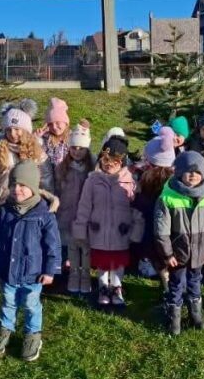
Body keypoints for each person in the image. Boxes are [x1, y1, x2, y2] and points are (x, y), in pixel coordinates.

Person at [0, 160, 61, 362]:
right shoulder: (3, 211)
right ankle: (5, 330)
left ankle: (32, 335)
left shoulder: (44, 215)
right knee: (7, 303)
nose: (17, 190)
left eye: (23, 186)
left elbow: (52, 245)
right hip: (8, 270)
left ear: (33, 187)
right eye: (13, 185)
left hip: (33, 273)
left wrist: (50, 270)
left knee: (31, 304)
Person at [155, 151, 204, 335]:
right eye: (188, 171)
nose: (193, 175)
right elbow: (161, 230)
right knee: (176, 283)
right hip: (178, 252)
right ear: (179, 173)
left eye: (197, 172)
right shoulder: (168, 197)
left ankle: (195, 314)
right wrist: (167, 253)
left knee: (195, 281)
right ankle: (174, 316)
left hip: (199, 251)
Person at [73, 133, 142, 306]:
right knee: (103, 262)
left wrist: (135, 231)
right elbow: (84, 206)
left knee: (118, 261)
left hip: (121, 231)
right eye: (106, 161)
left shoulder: (130, 182)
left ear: (123, 162)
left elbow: (136, 211)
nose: (110, 165)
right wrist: (81, 228)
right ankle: (103, 286)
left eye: (115, 161)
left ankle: (117, 286)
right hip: (99, 230)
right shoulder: (93, 181)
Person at [0, 99, 54, 217]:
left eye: (17, 129)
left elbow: (46, 177)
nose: (13, 134)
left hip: (30, 204)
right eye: (9, 130)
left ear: (25, 130)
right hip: (4, 203)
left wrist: (47, 198)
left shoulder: (36, 151)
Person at [132, 127, 176, 294]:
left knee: (151, 245)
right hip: (168, 228)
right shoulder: (173, 179)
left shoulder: (147, 177)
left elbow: (140, 203)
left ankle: (155, 269)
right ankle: (166, 281)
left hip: (150, 224)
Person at [55, 121, 93, 294]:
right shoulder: (62, 168)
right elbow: (56, 189)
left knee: (83, 247)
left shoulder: (91, 169)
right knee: (67, 245)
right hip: (65, 213)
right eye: (74, 147)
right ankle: (67, 275)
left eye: (81, 148)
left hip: (84, 215)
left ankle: (83, 277)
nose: (77, 151)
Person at [37, 97, 70, 167]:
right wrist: (36, 138)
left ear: (66, 123)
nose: (54, 127)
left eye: (57, 123)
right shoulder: (45, 139)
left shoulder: (73, 138)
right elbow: (35, 153)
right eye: (50, 124)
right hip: (48, 175)